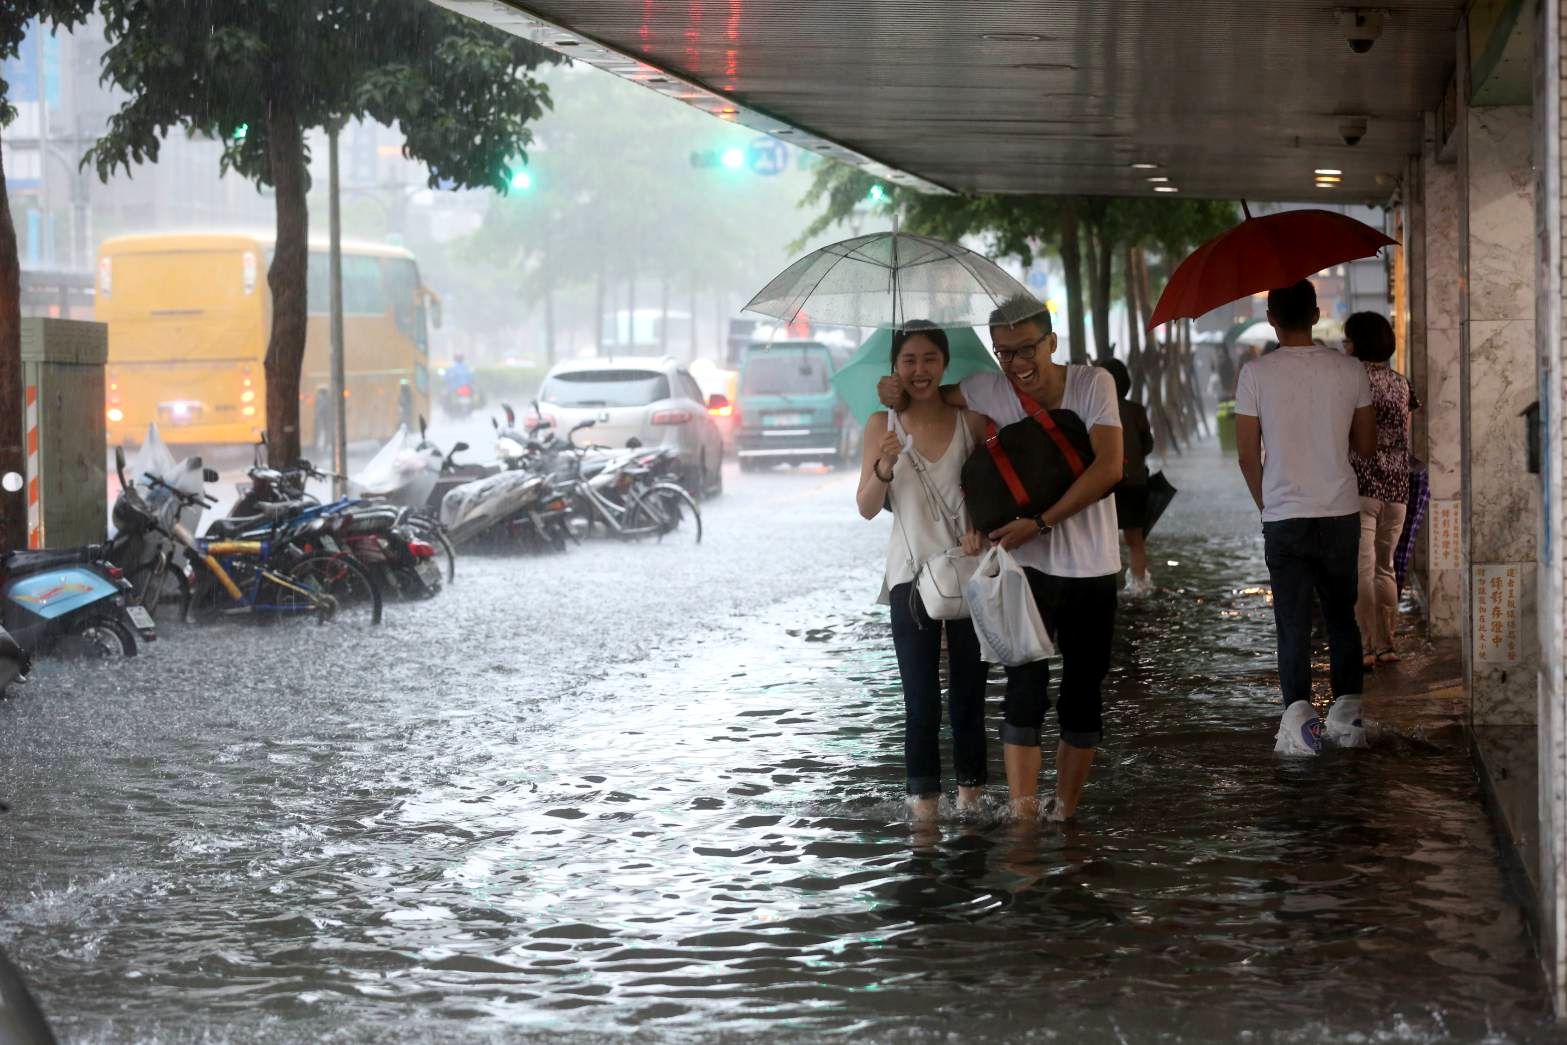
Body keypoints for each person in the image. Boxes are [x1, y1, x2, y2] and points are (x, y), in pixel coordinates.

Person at [878, 295, 1123, 820]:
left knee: (1082, 696)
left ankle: (1066, 813)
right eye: (1004, 352)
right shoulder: (990, 388)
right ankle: (1025, 823)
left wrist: (1041, 522)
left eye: (1026, 349)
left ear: (1052, 342)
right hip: (1024, 571)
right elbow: (931, 394)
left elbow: (1109, 469)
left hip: (1094, 569)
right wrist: (896, 392)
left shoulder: (1091, 384)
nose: (1017, 363)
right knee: (1022, 696)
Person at [1234, 280, 1376, 755]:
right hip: (1340, 511)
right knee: (1341, 618)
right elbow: (1366, 447)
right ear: (1316, 316)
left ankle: (1298, 724)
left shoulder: (1254, 375)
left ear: (1271, 319)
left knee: (1291, 623)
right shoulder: (1350, 369)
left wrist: (1266, 503)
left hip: (1285, 517)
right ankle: (1348, 717)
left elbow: (1246, 456)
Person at [856, 322, 989, 822]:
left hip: (966, 573)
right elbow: (867, 507)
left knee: (969, 698)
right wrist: (883, 468)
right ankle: (925, 811)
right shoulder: (880, 426)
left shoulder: (970, 422)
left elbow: (986, 495)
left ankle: (971, 803)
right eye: (909, 360)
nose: (919, 370)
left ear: (945, 364)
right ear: (895, 368)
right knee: (920, 702)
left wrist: (981, 530)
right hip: (909, 579)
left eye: (930, 359)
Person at [1344, 311, 1419, 669]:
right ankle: (1389, 644)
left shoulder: (1352, 382)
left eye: (1347, 340)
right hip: (1397, 489)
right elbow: (1405, 435)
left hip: (1361, 486)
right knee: (1385, 567)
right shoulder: (1402, 384)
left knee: (1361, 568)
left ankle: (1366, 647)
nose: (1344, 346)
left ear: (1358, 343)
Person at [1098, 357, 1155, 595]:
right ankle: (1139, 586)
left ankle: (1106, 589)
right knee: (1135, 541)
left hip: (1106, 485)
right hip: (1135, 482)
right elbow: (1148, 445)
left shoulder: (1098, 412)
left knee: (1105, 540)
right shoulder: (1136, 411)